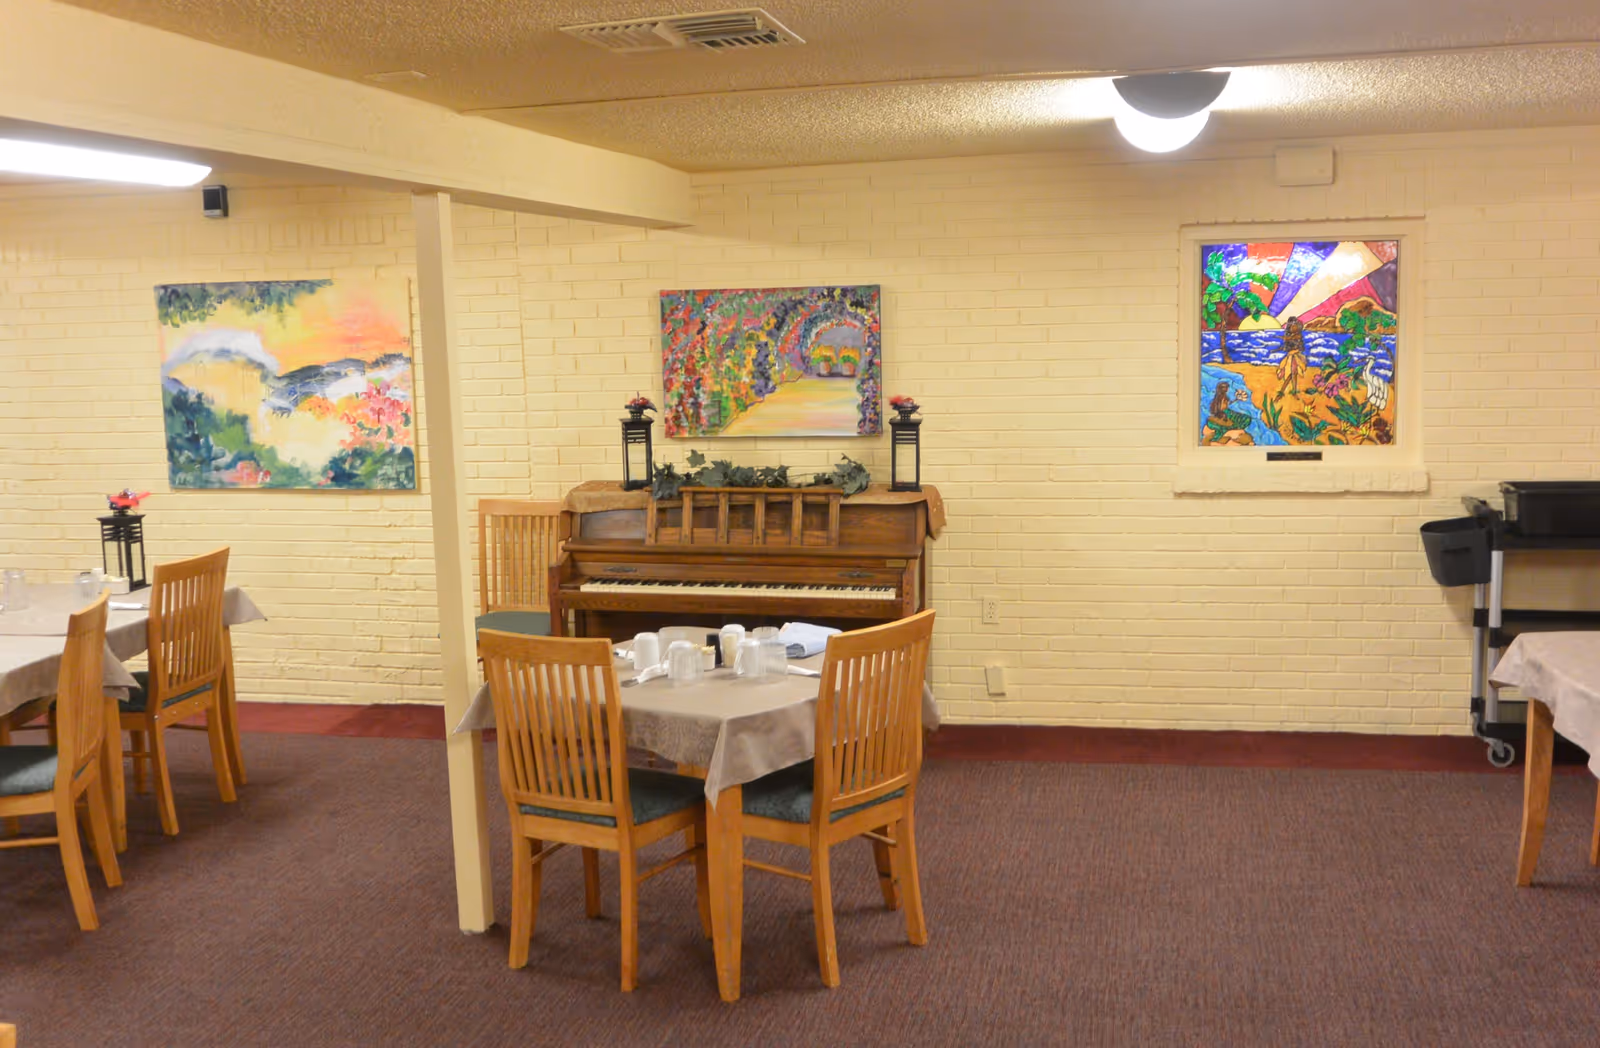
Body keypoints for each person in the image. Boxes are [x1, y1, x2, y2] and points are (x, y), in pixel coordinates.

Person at [1275, 316, 1308, 396]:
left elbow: (1301, 348)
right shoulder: (1291, 337)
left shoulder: (1298, 337)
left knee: (1293, 373)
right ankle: (1288, 390)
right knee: (1290, 374)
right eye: (1291, 326)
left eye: (1294, 326)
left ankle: (1289, 390)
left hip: (1296, 357)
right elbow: (1286, 346)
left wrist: (1294, 351)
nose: (1293, 327)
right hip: (1291, 357)